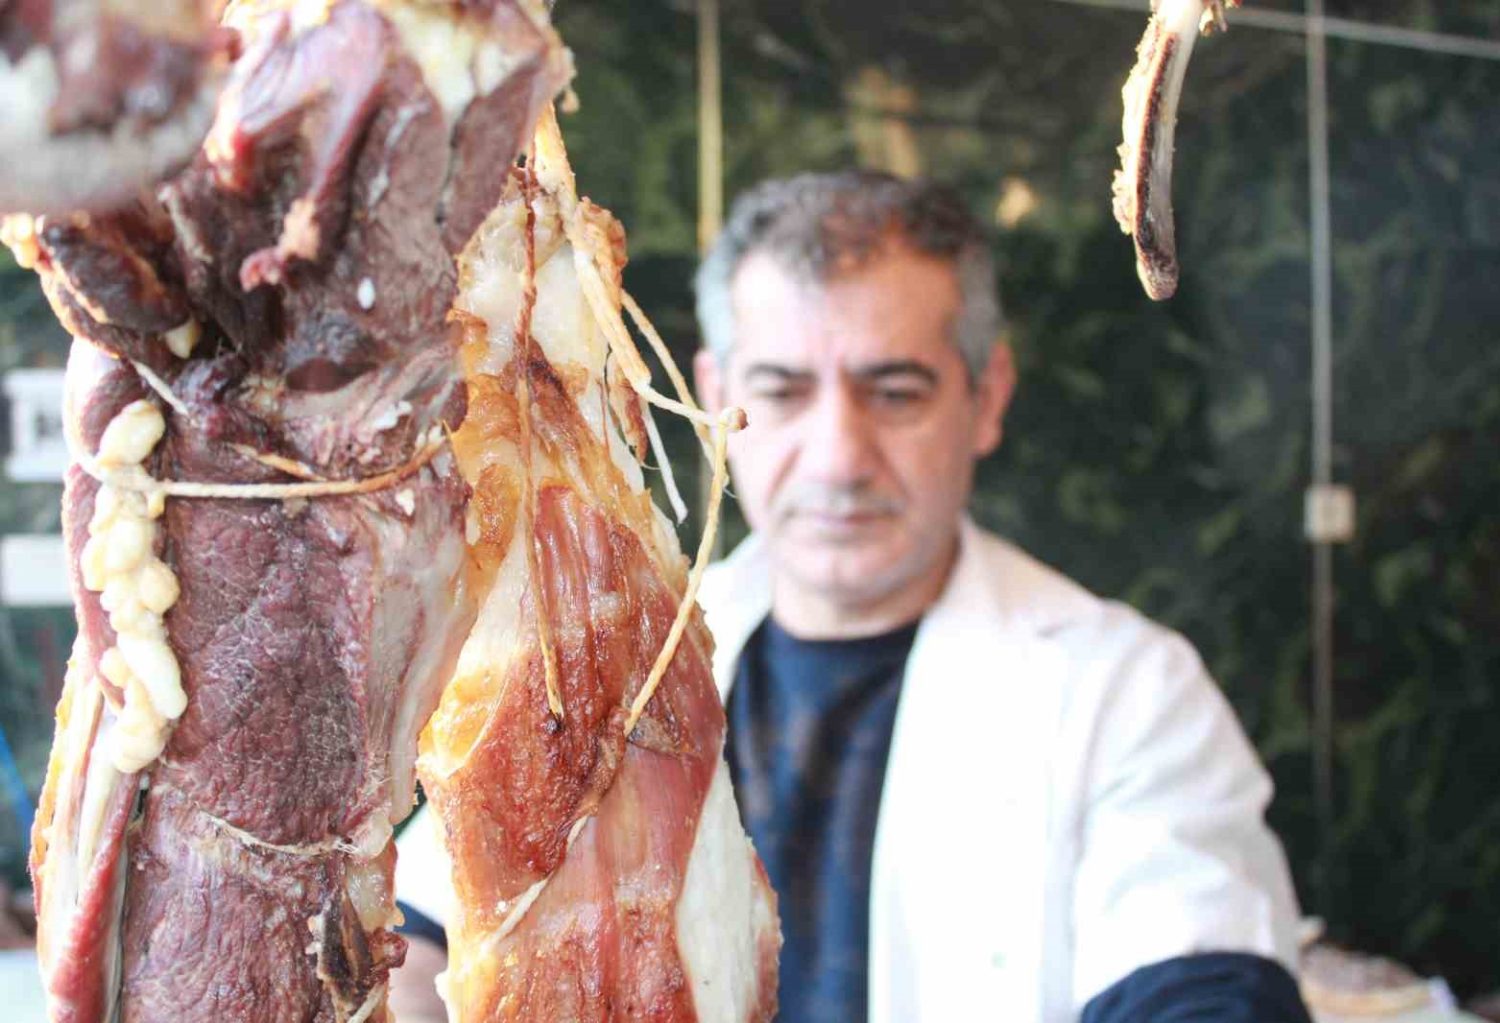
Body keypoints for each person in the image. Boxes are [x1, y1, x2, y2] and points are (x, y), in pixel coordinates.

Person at [392, 171, 1311, 1023]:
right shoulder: (609, 645)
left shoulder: (1128, 692)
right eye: (782, 391)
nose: (837, 457)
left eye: (896, 391)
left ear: (987, 398)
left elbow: (1208, 985)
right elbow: (426, 933)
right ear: (713, 397)